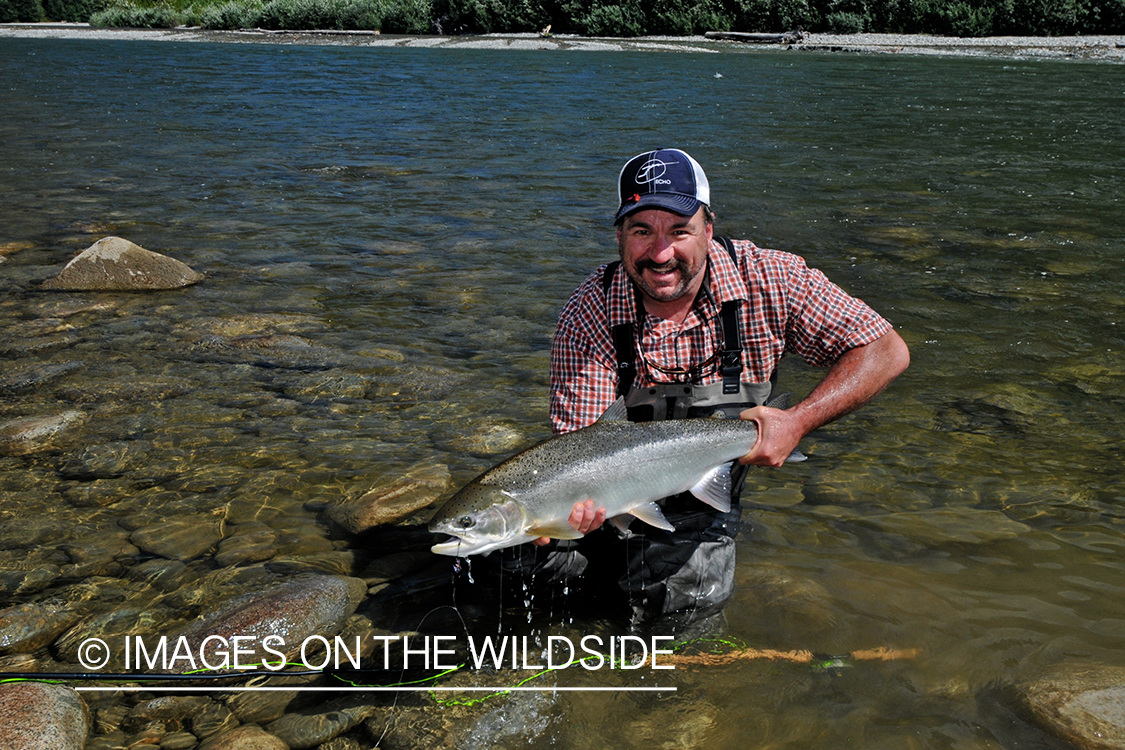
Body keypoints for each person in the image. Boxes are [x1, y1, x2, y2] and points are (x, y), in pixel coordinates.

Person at [512, 148, 909, 633]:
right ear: (619, 236)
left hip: (705, 487)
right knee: (522, 562)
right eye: (642, 231)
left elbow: (885, 351)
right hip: (614, 485)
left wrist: (797, 421)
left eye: (679, 230)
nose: (660, 254)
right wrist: (574, 511)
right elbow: (579, 445)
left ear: (708, 227)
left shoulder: (771, 280)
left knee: (684, 610)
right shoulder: (589, 312)